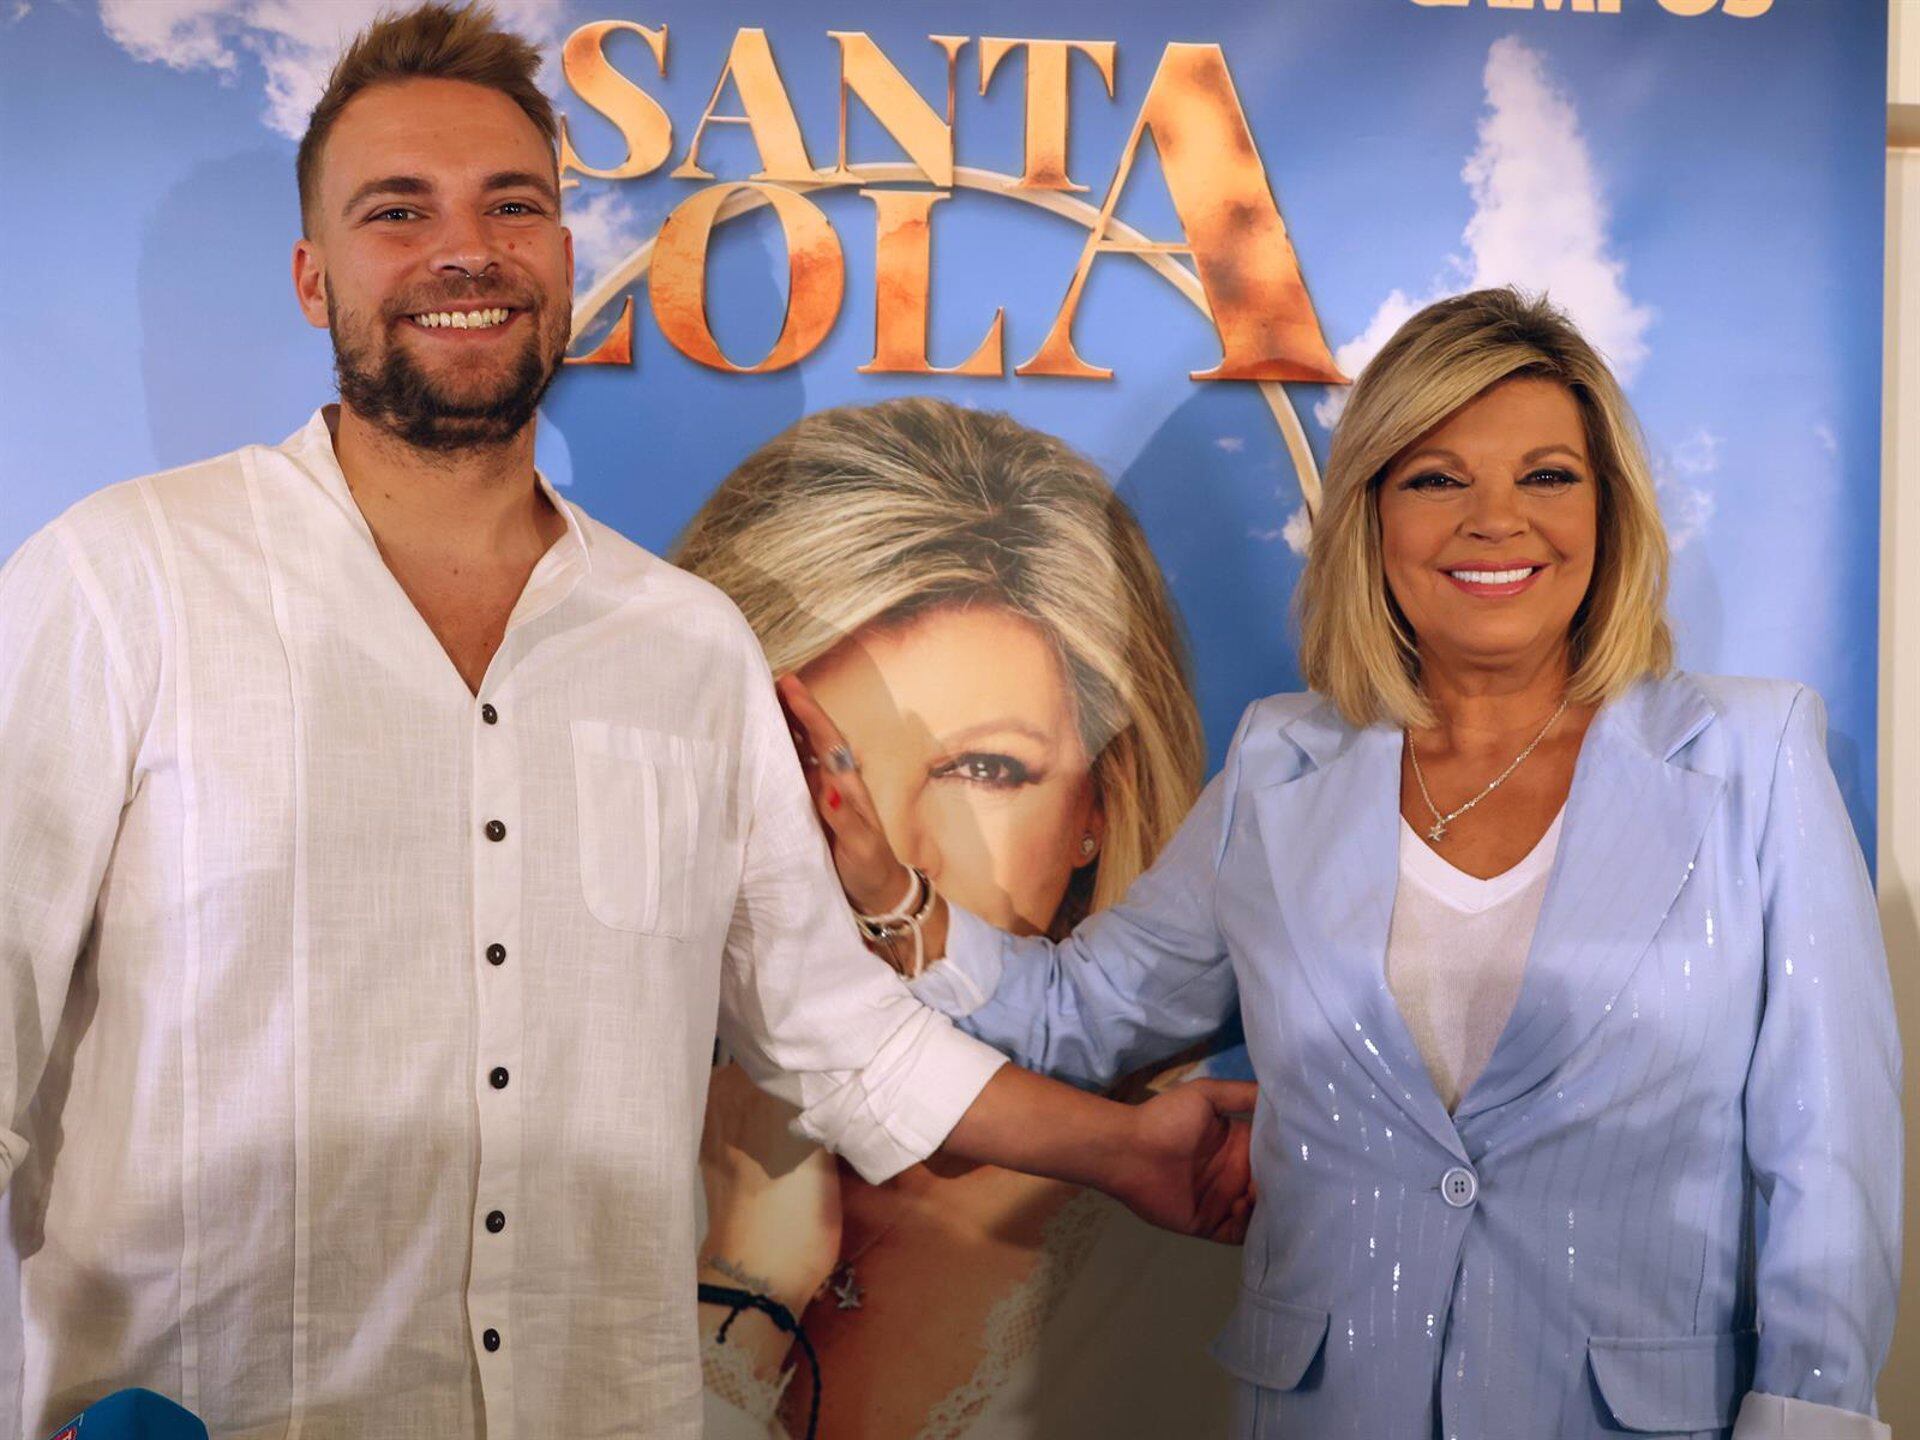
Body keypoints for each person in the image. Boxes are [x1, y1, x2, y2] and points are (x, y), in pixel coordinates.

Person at [0, 8, 1260, 1438]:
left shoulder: (686, 647)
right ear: (312, 277)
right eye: (398, 211)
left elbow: (833, 1030)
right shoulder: (125, 582)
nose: (465, 252)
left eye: (510, 206)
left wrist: (1127, 1148)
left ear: (562, 256)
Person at [783, 288, 1901, 1439]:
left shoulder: (1753, 757)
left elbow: (1831, 1155)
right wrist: (889, 891)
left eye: (1547, 476)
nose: (1496, 520)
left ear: (1609, 512)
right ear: (1370, 514)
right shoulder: (1281, 760)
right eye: (1436, 479)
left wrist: (1808, 1420)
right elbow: (1080, 1013)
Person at [675, 398, 1242, 1439]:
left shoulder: (1210, 1252)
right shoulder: (577, 1158)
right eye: (806, 762)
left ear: (1101, 806)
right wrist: (746, 1281)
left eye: (983, 769)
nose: (888, 852)